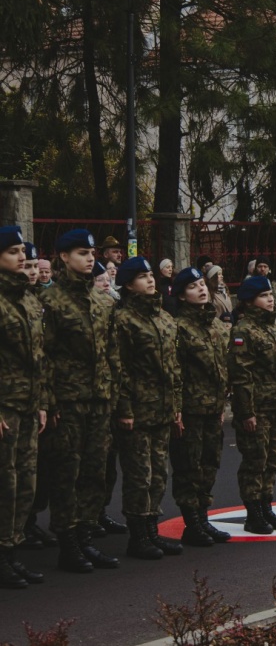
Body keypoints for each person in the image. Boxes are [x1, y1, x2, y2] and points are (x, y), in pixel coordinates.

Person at [40, 229, 122, 574]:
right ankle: (68, 543)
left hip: (99, 399)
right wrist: (50, 402)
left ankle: (86, 536)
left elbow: (113, 354)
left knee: (94, 471)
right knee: (66, 472)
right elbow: (43, 356)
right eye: (81, 253)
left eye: (91, 253)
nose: (89, 259)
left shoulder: (103, 301)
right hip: (68, 400)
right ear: (63, 257)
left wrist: (115, 395)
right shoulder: (50, 301)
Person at [110, 257, 184, 560]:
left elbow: (174, 367)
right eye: (142, 276)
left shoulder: (164, 317)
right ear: (129, 285)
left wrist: (176, 405)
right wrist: (124, 408)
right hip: (138, 409)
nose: (151, 280)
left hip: (162, 408)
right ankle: (138, 536)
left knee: (158, 474)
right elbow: (119, 368)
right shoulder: (123, 320)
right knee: (139, 475)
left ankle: (152, 530)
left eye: (151, 274)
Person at [0, 226, 49, 589]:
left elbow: (39, 357)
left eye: (22, 250)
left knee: (25, 483)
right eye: (13, 251)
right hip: (5, 407)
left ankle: (12, 553)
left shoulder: (29, 299)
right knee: (5, 483)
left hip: (29, 405)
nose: (21, 256)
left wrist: (42, 402)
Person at [170, 267, 231, 546]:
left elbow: (223, 367)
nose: (201, 289)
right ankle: (191, 523)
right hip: (190, 409)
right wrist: (177, 410)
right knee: (188, 466)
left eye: (202, 284)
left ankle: (203, 518)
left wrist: (222, 403)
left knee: (209, 464)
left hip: (213, 407)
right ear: (182, 296)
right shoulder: (179, 327)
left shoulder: (215, 325)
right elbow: (175, 371)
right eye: (193, 286)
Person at [229, 276, 276, 534]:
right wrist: (247, 412)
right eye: (263, 296)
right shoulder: (243, 330)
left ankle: (267, 507)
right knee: (255, 461)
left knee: (274, 459)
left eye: (270, 294)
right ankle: (253, 513)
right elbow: (241, 375)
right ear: (249, 301)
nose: (270, 299)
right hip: (258, 408)